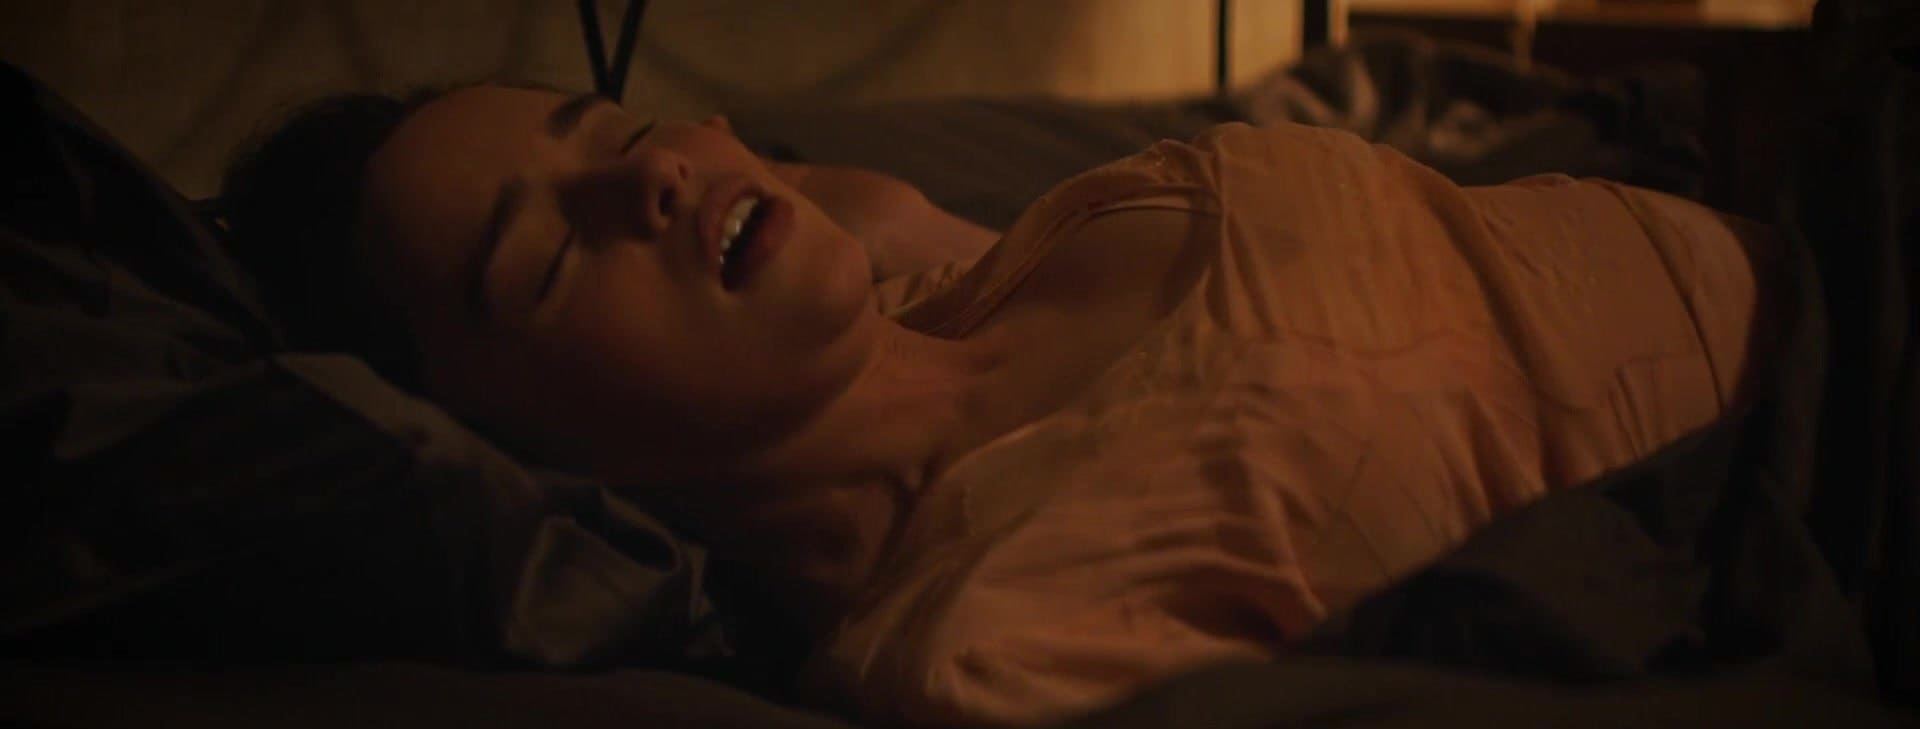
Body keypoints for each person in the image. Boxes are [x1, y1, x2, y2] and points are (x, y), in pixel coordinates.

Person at [221, 83, 1780, 728]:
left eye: (613, 126)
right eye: (550, 256)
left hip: (1819, 227)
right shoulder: (994, 635)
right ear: (518, 457)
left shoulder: (935, 263)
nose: (652, 178)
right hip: (1814, 458)